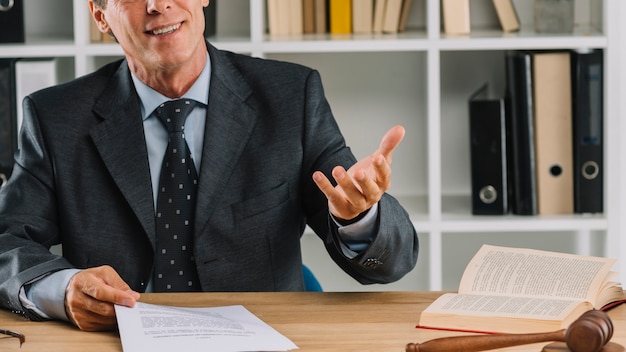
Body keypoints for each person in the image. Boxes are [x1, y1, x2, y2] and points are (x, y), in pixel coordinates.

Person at [0, 0, 418, 332]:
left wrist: (360, 216)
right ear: (100, 16)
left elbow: (393, 261)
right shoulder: (54, 116)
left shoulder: (292, 96)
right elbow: (6, 241)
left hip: (262, 337)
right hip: (117, 340)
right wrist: (63, 288)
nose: (157, 4)